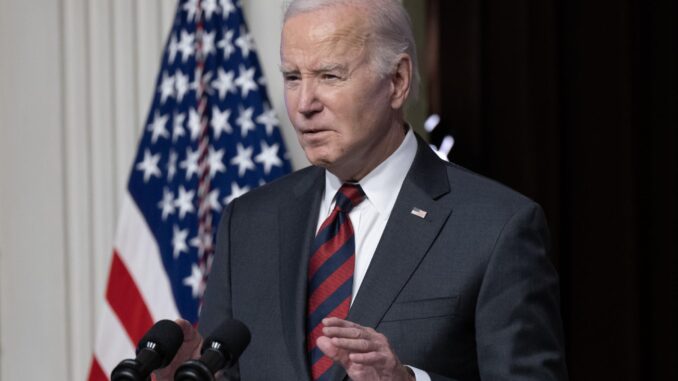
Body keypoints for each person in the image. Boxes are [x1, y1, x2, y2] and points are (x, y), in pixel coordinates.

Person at [157, 0, 568, 380]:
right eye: (292, 77)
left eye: (329, 76)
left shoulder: (496, 227)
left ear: (398, 80)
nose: (304, 104)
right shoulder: (247, 223)